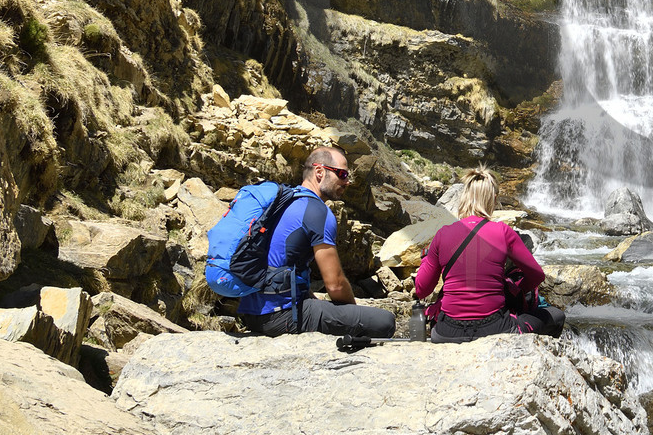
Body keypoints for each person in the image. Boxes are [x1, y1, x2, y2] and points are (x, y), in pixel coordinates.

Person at [237, 146, 396, 338]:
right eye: (342, 174)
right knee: (385, 321)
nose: (348, 182)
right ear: (320, 172)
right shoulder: (318, 212)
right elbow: (335, 285)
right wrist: (352, 317)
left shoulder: (284, 200)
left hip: (252, 314)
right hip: (282, 317)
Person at [414, 168, 565, 342]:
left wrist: (426, 259)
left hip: (447, 331)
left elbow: (422, 289)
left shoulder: (442, 234)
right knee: (556, 315)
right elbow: (536, 275)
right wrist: (515, 290)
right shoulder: (503, 231)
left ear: (463, 197)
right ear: (492, 199)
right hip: (496, 329)